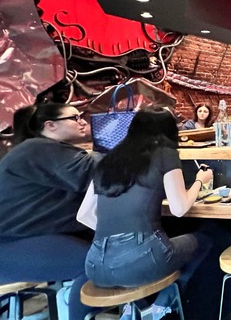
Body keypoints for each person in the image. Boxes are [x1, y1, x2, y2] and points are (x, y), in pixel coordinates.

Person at [81, 108, 213, 320]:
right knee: (206, 239)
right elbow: (179, 209)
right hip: (143, 259)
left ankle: (136, 308)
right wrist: (200, 181)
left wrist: (118, 235)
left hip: (95, 265)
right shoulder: (165, 153)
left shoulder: (108, 159)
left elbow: (85, 215)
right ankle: (165, 303)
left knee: (166, 245)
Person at [0, 103, 100, 320]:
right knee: (96, 263)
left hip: (29, 237)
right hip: (9, 246)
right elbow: (90, 173)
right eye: (74, 117)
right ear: (50, 125)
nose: (83, 121)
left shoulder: (46, 150)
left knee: (111, 248)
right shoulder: (37, 148)